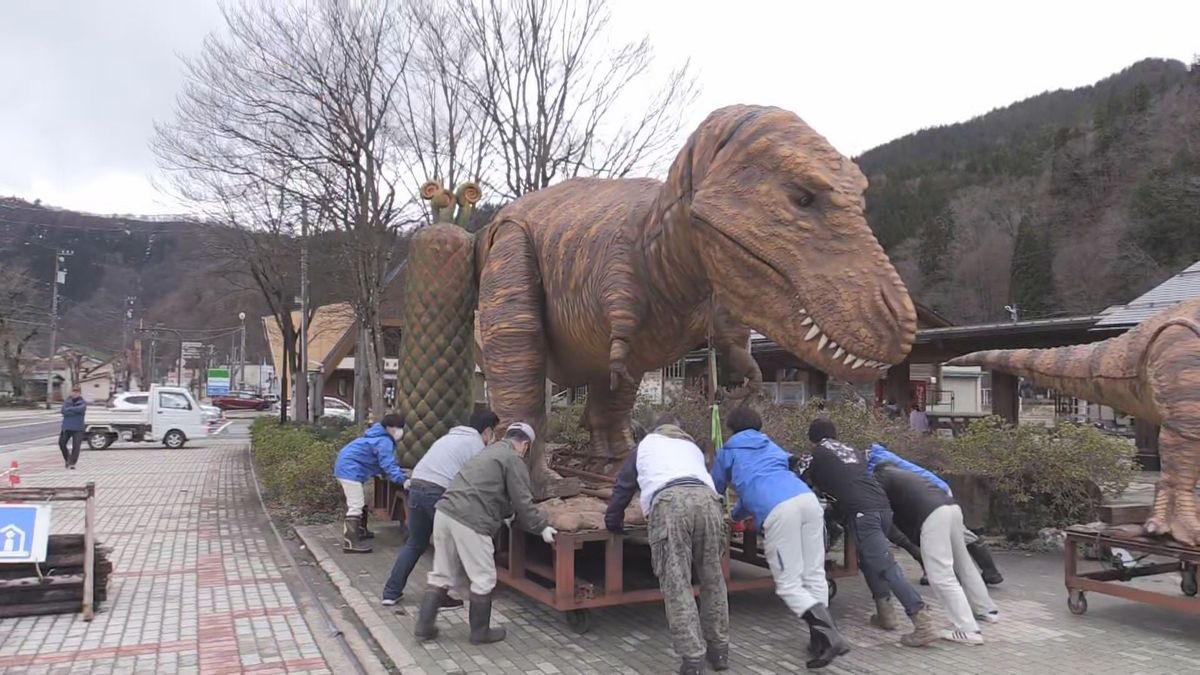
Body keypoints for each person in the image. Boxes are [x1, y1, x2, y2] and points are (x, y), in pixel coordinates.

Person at [711, 407, 848, 670]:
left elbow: (715, 488)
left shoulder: (728, 451)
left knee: (787, 584)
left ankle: (832, 637)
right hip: (807, 501)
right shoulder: (771, 446)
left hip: (779, 511)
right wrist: (739, 511)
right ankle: (820, 640)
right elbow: (776, 473)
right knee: (814, 575)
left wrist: (729, 512)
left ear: (731, 428)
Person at [796, 418, 938, 647]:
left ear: (813, 438)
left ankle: (922, 620)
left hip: (861, 513)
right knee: (870, 560)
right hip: (882, 507)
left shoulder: (813, 454)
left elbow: (797, 479)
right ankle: (886, 614)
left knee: (885, 565)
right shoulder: (851, 450)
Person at [605, 415, 729, 675]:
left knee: (677, 582)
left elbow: (624, 486)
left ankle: (693, 658)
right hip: (709, 501)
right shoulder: (691, 447)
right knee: (713, 578)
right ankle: (719, 650)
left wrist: (613, 520)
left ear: (654, 431)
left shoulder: (646, 446)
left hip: (671, 503)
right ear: (678, 430)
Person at [414, 422, 556, 645]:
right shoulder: (513, 459)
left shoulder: (488, 452)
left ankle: (424, 627)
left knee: (441, 573)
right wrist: (541, 526)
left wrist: (505, 513)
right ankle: (480, 633)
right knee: (483, 577)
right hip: (471, 520)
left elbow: (488, 490)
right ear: (525, 445)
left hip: (445, 511)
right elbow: (522, 499)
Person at [381, 410, 501, 606]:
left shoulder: (449, 438)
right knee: (449, 544)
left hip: (416, 486)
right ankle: (442, 593)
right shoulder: (476, 445)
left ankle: (391, 592)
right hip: (438, 492)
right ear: (487, 431)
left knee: (415, 543)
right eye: (494, 432)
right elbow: (481, 480)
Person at [873, 462, 999, 645]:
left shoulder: (881, 478)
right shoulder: (906, 475)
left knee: (940, 574)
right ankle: (986, 610)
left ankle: (967, 629)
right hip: (952, 508)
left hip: (932, 516)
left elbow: (881, 510)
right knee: (963, 563)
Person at [865, 443, 1004, 586]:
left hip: (930, 495)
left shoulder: (874, 464)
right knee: (949, 533)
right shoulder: (879, 456)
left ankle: (988, 572)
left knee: (946, 533)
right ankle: (990, 572)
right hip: (932, 490)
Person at [333, 413, 408, 554]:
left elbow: (381, 463)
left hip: (346, 467)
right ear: (390, 428)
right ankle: (350, 543)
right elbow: (388, 464)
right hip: (350, 471)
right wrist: (403, 480)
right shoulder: (384, 441)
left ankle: (360, 531)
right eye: (398, 428)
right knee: (356, 505)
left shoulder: (376, 437)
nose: (400, 431)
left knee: (361, 501)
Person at [58, 387, 87, 469]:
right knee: (61, 443)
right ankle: (67, 458)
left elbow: (81, 409)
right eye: (73, 392)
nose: (75, 394)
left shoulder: (82, 402)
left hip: (78, 427)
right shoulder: (67, 401)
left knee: (76, 446)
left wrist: (70, 409)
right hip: (66, 427)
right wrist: (73, 411)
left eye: (77, 392)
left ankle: (72, 463)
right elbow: (63, 411)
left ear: (79, 393)